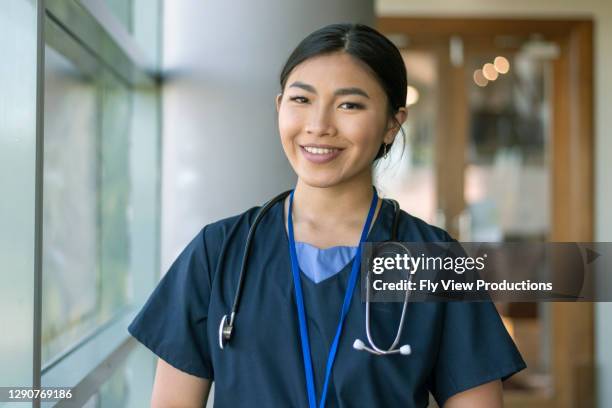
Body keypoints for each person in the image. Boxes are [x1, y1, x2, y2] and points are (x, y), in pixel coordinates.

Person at [128, 23, 526, 408]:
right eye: (301, 100)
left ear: (392, 123)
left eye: (349, 105)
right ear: (279, 107)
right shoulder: (219, 252)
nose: (319, 126)